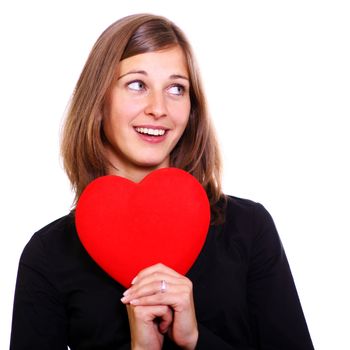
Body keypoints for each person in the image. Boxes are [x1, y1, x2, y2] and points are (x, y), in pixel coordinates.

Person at [10, 13, 314, 349]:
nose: (159, 108)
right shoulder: (49, 253)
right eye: (137, 85)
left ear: (191, 108)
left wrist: (195, 340)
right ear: (99, 101)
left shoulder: (248, 227)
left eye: (176, 88)